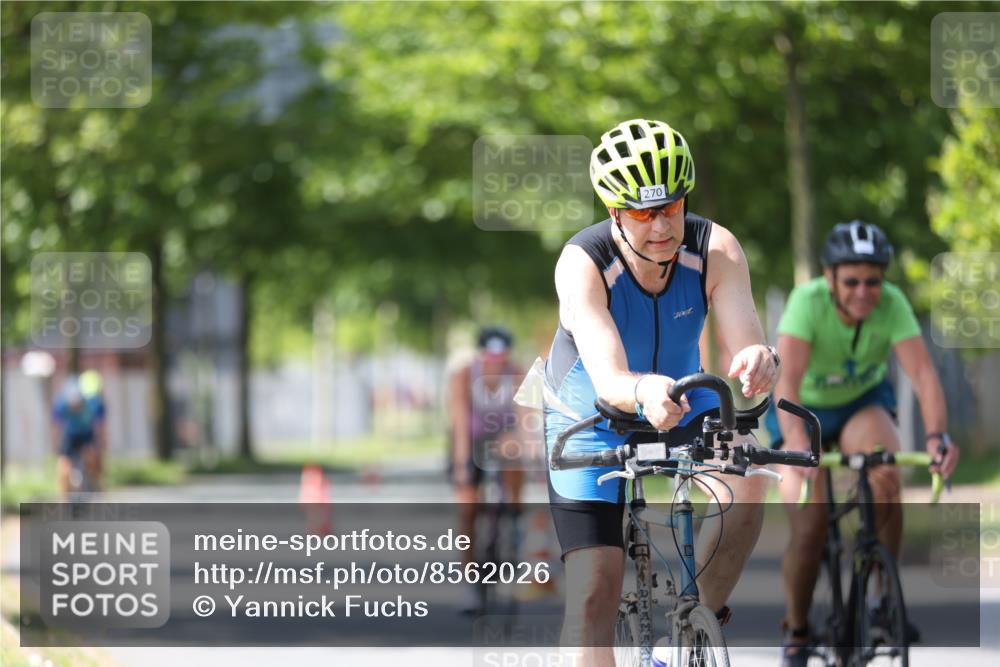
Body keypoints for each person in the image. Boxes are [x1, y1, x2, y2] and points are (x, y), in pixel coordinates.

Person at [544, 118, 781, 666]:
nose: (660, 227)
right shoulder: (583, 264)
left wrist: (757, 361)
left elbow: (748, 346)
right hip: (590, 412)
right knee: (593, 591)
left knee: (745, 473)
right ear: (614, 213)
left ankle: (692, 633)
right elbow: (609, 380)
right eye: (643, 213)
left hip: (685, 394)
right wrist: (645, 389)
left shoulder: (714, 248)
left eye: (671, 208)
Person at [767, 221, 959, 666]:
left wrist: (936, 438)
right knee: (808, 524)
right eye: (851, 280)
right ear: (829, 277)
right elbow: (788, 382)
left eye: (873, 281)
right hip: (802, 410)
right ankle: (797, 628)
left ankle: (882, 600)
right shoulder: (806, 302)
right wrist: (797, 446)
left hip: (860, 404)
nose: (863, 291)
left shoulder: (892, 304)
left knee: (886, 475)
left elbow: (925, 376)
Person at [448, 326, 525, 611]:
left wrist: (518, 442)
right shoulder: (464, 375)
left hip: (505, 437)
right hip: (470, 438)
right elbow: (459, 419)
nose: (496, 363)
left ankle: (515, 517)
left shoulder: (517, 373)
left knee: (515, 466)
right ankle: (469, 583)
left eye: (501, 357)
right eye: (491, 358)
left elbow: (525, 417)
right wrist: (461, 463)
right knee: (467, 508)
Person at [52, 372, 107, 499]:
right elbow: (55, 426)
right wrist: (56, 444)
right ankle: (64, 498)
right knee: (64, 465)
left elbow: (99, 426)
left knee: (93, 456)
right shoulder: (61, 405)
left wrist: (100, 443)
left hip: (87, 434)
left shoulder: (92, 404)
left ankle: (97, 483)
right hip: (70, 436)